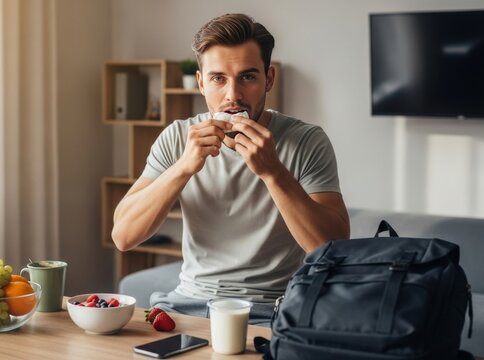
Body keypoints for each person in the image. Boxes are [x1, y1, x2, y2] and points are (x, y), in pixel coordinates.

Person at [112, 13, 350, 325]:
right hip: (187, 306)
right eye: (218, 78)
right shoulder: (176, 137)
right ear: (200, 82)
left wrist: (273, 173)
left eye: (248, 77)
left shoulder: (306, 141)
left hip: (270, 312)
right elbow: (123, 236)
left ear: (269, 79)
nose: (233, 95)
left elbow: (333, 249)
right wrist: (184, 167)